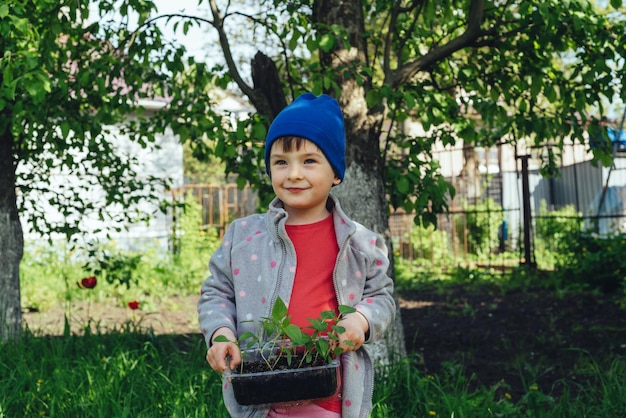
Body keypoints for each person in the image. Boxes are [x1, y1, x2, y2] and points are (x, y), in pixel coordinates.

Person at [197, 92, 395, 418]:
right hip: (260, 396)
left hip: (330, 396)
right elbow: (216, 292)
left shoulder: (359, 242)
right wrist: (221, 335)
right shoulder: (244, 237)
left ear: (336, 172)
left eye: (309, 161)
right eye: (281, 162)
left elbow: (381, 297)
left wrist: (360, 320)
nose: (293, 174)